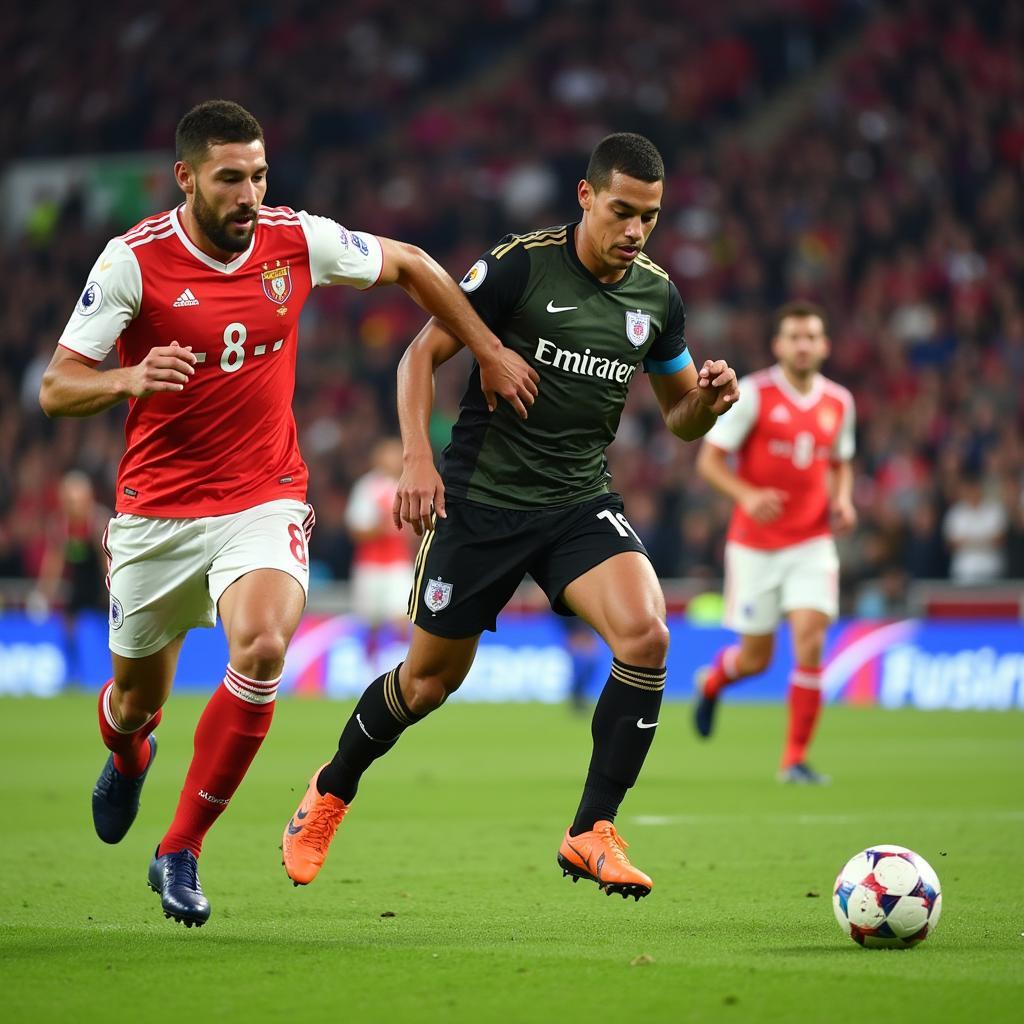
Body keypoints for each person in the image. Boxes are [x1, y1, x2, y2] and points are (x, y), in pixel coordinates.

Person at [38, 99, 539, 928]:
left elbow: (412, 263)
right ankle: (128, 757)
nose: (249, 192)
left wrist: (485, 348)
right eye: (231, 178)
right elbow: (58, 386)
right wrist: (126, 379)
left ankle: (181, 847)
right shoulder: (133, 262)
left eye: (259, 175)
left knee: (265, 647)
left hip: (262, 497)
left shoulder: (295, 238)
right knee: (133, 704)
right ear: (187, 179)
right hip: (155, 516)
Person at [282, 132, 739, 900]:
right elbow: (418, 357)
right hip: (481, 504)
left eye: (650, 218)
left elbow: (680, 418)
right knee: (427, 686)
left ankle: (591, 829)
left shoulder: (655, 296)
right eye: (622, 211)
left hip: (575, 502)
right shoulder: (520, 266)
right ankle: (331, 787)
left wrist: (709, 403)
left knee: (647, 634)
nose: (634, 231)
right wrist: (416, 458)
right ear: (587, 197)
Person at [693, 301, 856, 784]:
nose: (803, 345)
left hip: (811, 543)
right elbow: (709, 462)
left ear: (824, 345)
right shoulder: (757, 395)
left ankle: (794, 760)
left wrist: (843, 499)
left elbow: (840, 461)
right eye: (794, 337)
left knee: (810, 640)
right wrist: (748, 493)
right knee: (755, 659)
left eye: (811, 336)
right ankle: (713, 681)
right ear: (778, 345)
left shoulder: (840, 403)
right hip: (754, 546)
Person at [345, 437, 415, 661]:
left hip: (399, 564)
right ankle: (369, 670)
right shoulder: (367, 487)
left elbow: (419, 531)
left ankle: (402, 668)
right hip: (370, 565)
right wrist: (381, 527)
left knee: (402, 619)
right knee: (371, 624)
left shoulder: (412, 486)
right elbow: (356, 530)